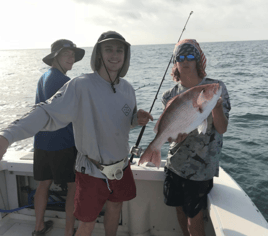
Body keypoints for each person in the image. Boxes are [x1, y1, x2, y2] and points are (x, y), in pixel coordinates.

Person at [0, 31, 153, 236]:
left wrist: (136, 120)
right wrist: (7, 135)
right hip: (91, 170)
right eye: (109, 49)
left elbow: (124, 123)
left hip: (121, 167)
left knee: (115, 208)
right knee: (86, 222)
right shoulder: (80, 84)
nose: (115, 55)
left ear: (126, 56)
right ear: (98, 53)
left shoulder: (128, 89)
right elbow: (46, 110)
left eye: (120, 50)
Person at [143, 39, 231, 236]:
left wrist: (216, 107)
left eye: (190, 56)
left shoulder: (216, 87)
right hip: (175, 164)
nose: (185, 61)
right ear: (175, 63)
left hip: (201, 169)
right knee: (179, 210)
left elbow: (222, 128)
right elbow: (169, 133)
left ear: (198, 60)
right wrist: (173, 139)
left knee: (195, 219)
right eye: (180, 57)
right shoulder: (169, 95)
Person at [32, 39, 85, 236]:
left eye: (73, 55)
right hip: (62, 143)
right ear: (56, 57)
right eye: (66, 54)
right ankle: (69, 231)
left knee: (43, 184)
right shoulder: (65, 82)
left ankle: (38, 227)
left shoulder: (44, 77)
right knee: (73, 186)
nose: (71, 59)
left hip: (41, 142)